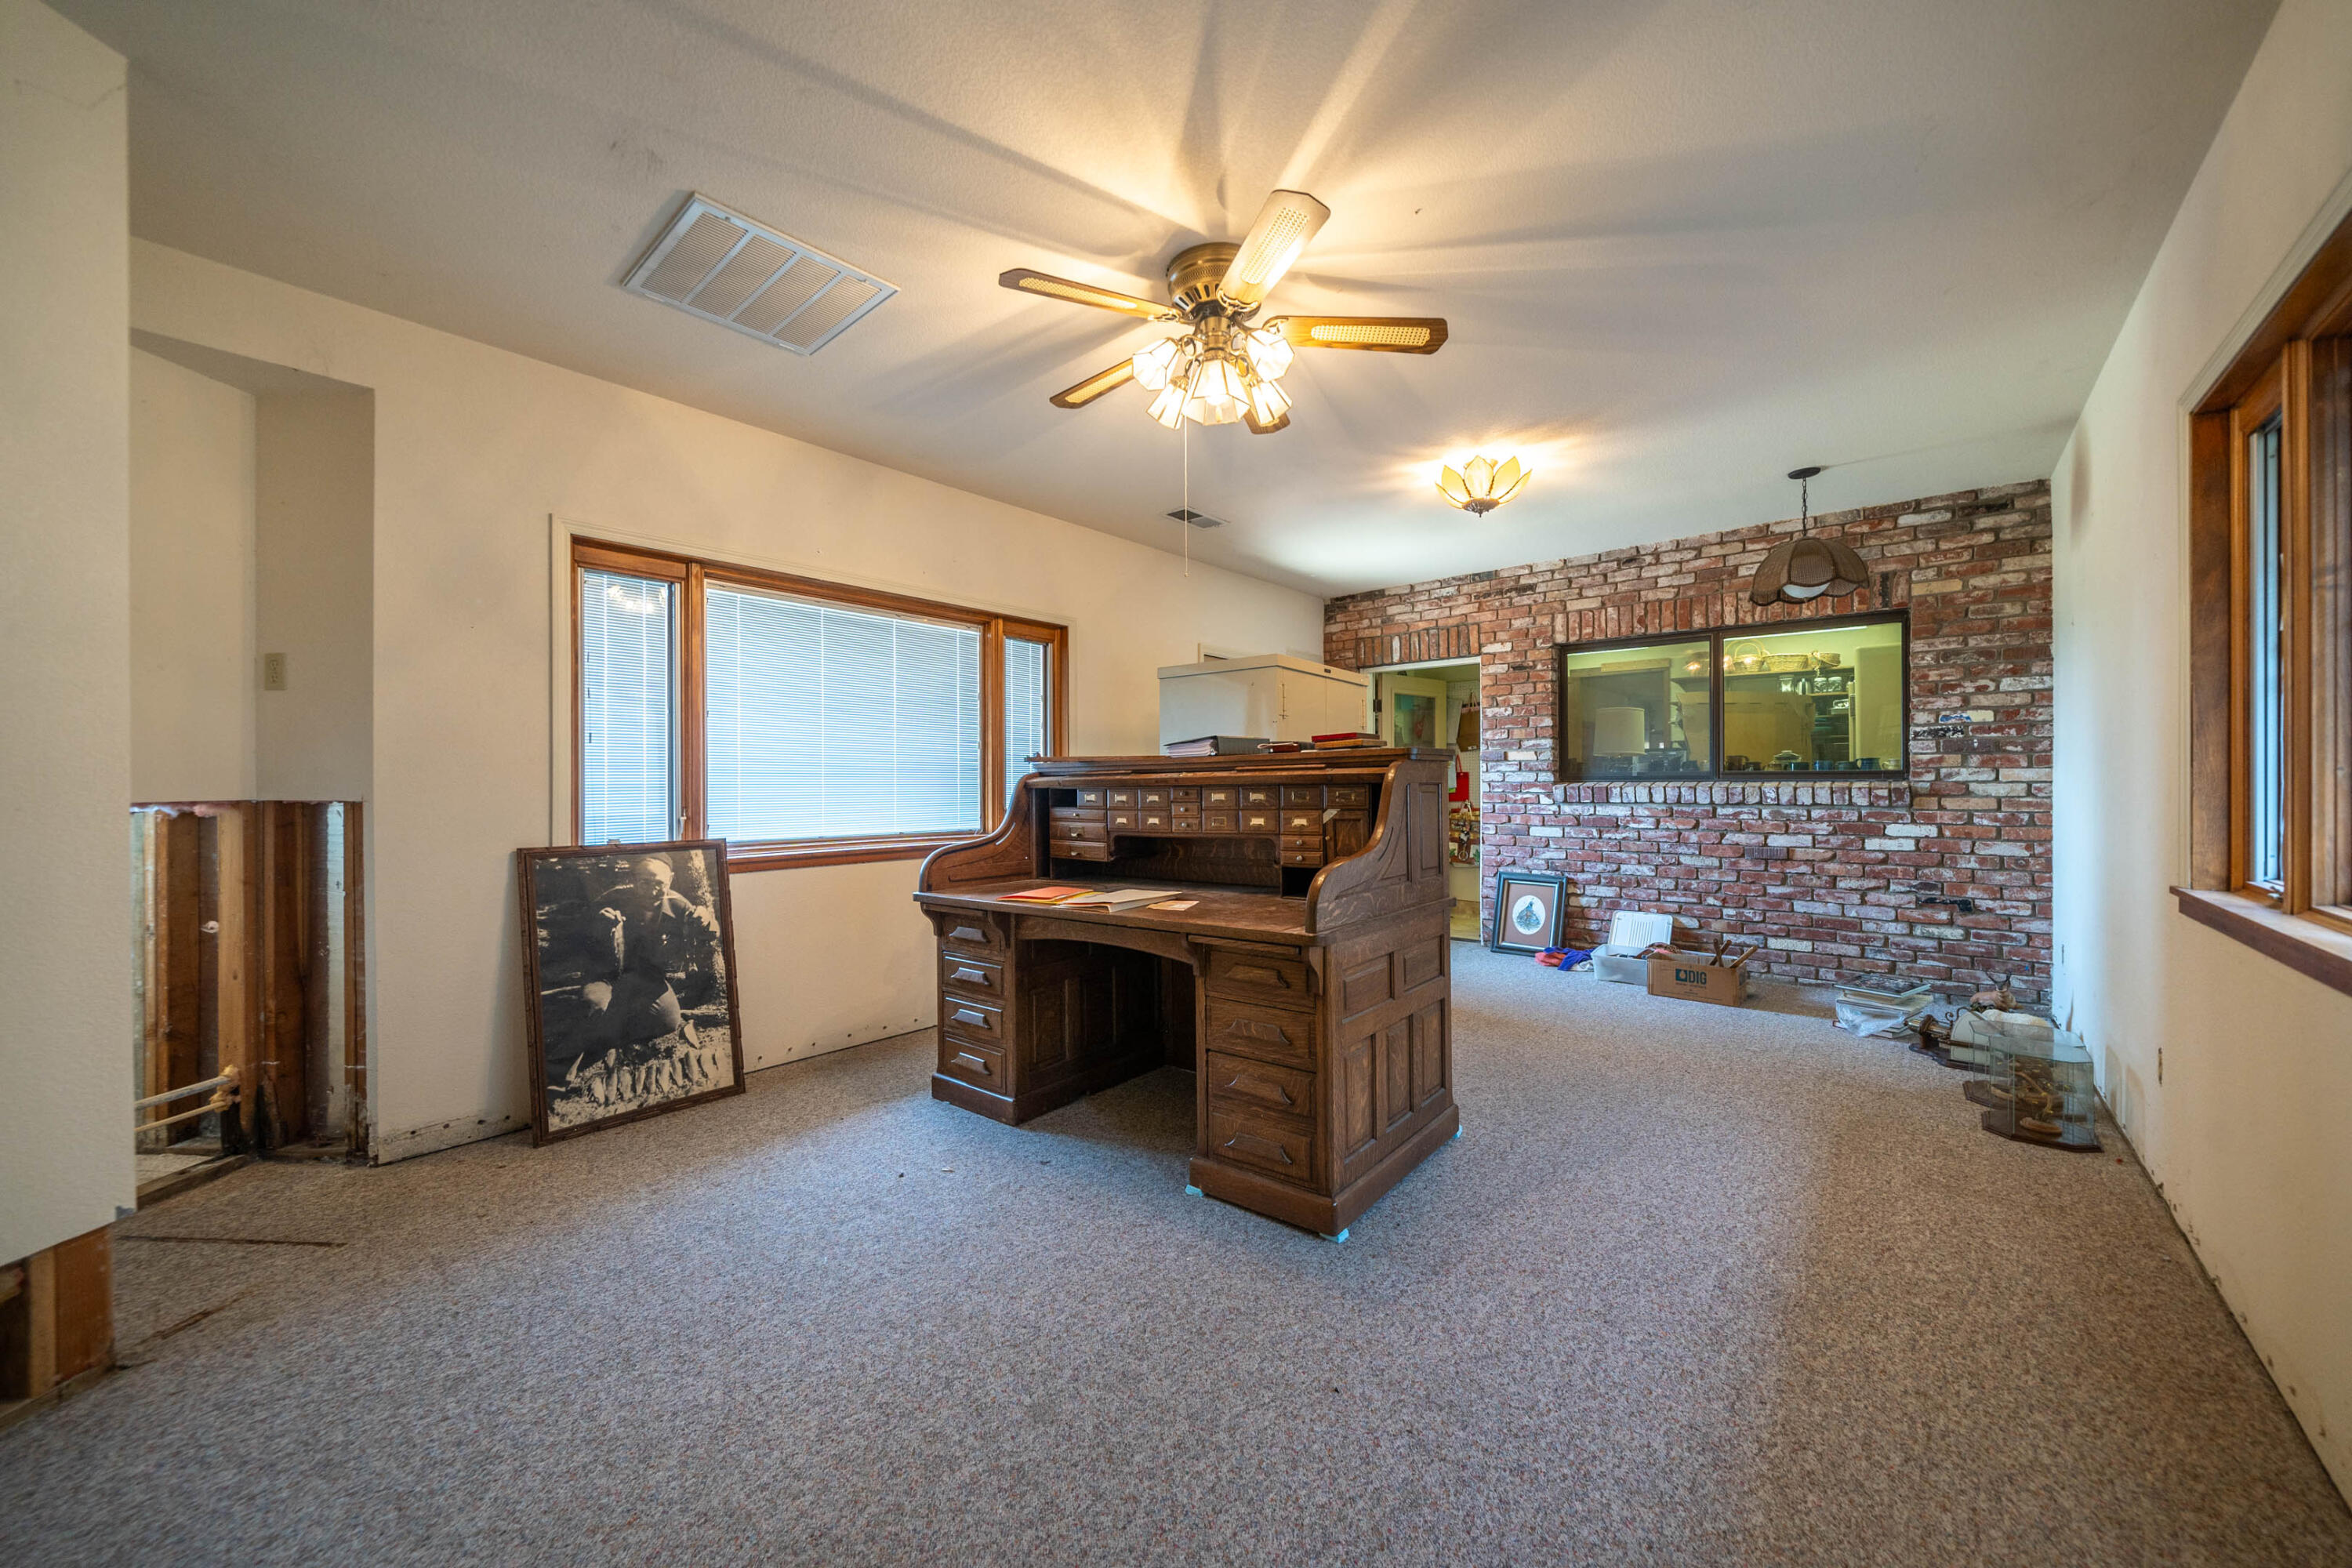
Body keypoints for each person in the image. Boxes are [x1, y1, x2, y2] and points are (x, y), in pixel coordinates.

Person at [557, 854, 724, 1096]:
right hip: (605, 975)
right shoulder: (614, 899)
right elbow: (580, 937)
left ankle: (614, 1031)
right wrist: (601, 926)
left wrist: (710, 922)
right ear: (634, 880)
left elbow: (709, 935)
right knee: (595, 1006)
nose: (651, 889)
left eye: (659, 883)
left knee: (667, 1022)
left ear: (671, 880)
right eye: (644, 882)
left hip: (647, 978)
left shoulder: (678, 905)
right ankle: (566, 1066)